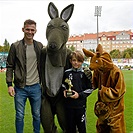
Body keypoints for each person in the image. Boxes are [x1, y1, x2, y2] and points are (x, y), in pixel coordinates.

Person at [6, 19, 43, 133]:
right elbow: (10, 66)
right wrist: (9, 84)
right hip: (20, 88)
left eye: (32, 30)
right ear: (23, 29)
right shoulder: (15, 46)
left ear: (35, 31)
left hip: (36, 87)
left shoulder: (40, 46)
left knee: (37, 115)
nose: (30, 32)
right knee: (19, 116)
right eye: (27, 29)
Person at [61, 51, 93, 133]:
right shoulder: (67, 73)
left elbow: (90, 89)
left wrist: (79, 95)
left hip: (80, 106)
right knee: (70, 128)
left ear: (82, 62)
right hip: (69, 106)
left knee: (81, 128)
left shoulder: (85, 73)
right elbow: (63, 85)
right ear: (70, 61)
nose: (76, 63)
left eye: (79, 61)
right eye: (74, 60)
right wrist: (64, 91)